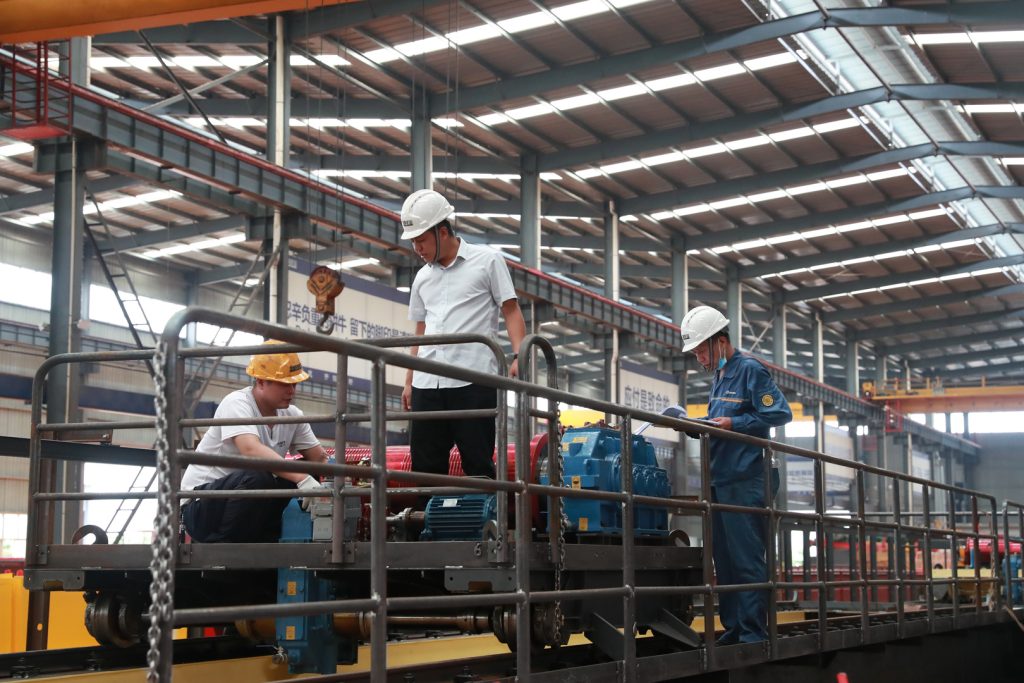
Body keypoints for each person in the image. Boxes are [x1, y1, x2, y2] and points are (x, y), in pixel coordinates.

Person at [679, 305, 792, 644]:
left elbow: (779, 413)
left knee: (746, 558)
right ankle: (735, 628)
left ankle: (753, 633)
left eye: (702, 350)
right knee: (725, 560)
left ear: (721, 341)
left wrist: (735, 423)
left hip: (747, 478)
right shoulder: (720, 377)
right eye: (695, 353)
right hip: (721, 478)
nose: (700, 358)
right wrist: (698, 427)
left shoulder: (750, 370)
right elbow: (721, 424)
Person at [399, 188, 527, 478]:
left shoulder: (488, 261)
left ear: (443, 232)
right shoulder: (422, 277)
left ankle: (482, 509)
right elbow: (420, 328)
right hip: (427, 383)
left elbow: (510, 310)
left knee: (477, 462)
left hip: (473, 380)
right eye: (414, 242)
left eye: (421, 240)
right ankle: (428, 510)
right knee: (424, 467)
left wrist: (520, 354)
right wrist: (409, 381)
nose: (417, 248)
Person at [181, 342, 328, 543]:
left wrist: (343, 481)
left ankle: (271, 540)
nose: (292, 391)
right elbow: (250, 449)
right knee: (260, 477)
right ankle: (224, 548)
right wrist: (302, 478)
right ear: (260, 381)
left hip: (243, 504)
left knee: (306, 471)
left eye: (294, 384)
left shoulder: (292, 415)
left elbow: (319, 459)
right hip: (202, 506)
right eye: (285, 384)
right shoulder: (237, 403)